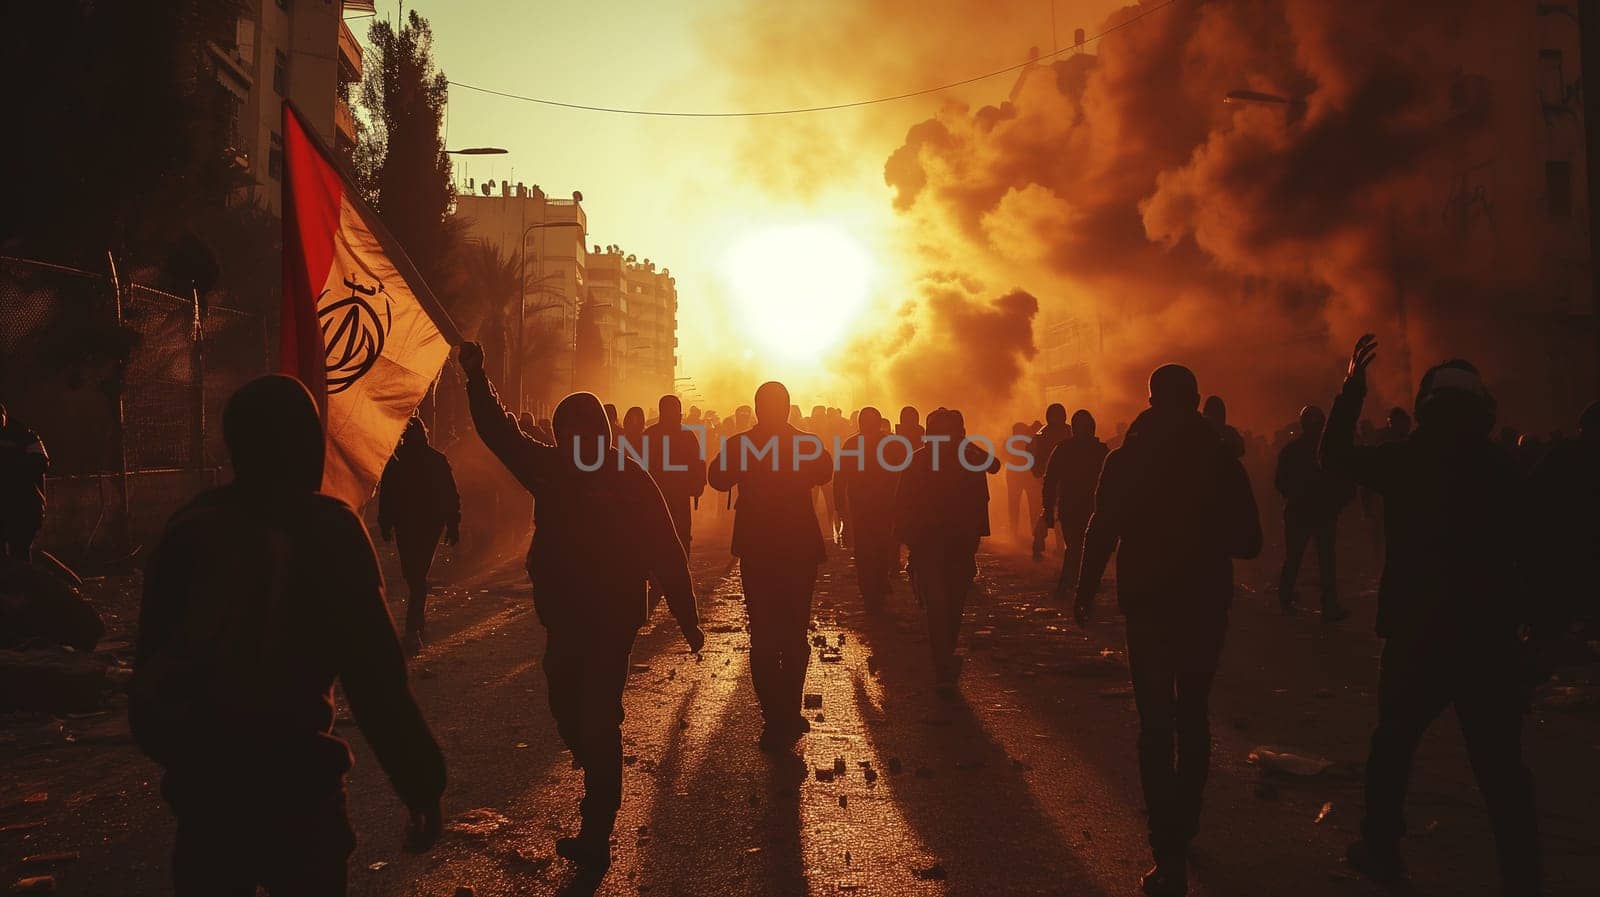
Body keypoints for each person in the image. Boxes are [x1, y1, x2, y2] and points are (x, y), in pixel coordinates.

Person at [130, 376, 445, 896]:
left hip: (207, 804)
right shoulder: (328, 530)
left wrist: (196, 764)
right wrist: (422, 786)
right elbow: (377, 684)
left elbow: (148, 682)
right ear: (308, 445)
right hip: (299, 794)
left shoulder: (190, 527)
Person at [459, 342, 703, 870]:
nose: (578, 440)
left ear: (602, 435)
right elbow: (499, 433)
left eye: (587, 432)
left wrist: (689, 619)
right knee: (564, 702)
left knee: (595, 720)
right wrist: (477, 377)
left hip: (613, 620)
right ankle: (594, 757)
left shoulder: (630, 478)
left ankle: (597, 830)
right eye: (569, 432)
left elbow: (666, 548)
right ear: (561, 436)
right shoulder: (548, 470)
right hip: (564, 617)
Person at [1323, 336, 1540, 897]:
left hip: (1418, 635)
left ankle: (1382, 850)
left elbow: (1335, 456)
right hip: (1488, 639)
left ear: (1427, 408)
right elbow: (1537, 553)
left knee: (1392, 745)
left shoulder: (1407, 459)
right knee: (1501, 770)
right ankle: (1522, 875)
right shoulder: (1503, 468)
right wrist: (1536, 634)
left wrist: (1351, 389)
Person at [1076, 364, 1261, 897]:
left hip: (1149, 605)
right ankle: (1186, 826)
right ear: (1197, 399)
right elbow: (1250, 541)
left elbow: (1101, 527)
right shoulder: (1222, 461)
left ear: (1152, 400)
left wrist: (1085, 590)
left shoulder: (1126, 458)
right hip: (1204, 603)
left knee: (1156, 725)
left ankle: (1170, 855)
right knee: (1193, 715)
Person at [708, 381, 832, 750]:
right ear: (788, 407)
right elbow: (825, 472)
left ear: (759, 408)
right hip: (796, 548)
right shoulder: (805, 443)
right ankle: (787, 712)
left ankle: (775, 716)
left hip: (759, 548)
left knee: (763, 634)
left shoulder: (742, 444)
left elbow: (716, 478)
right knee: (793, 633)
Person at [896, 408, 998, 695]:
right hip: (941, 544)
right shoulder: (942, 457)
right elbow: (905, 504)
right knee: (946, 605)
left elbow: (993, 466)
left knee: (946, 605)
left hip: (951, 543)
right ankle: (943, 663)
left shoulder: (931, 457)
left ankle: (943, 661)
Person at [378, 418, 461, 653]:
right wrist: (453, 522)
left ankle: (414, 625)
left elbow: (388, 496)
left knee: (415, 573)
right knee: (417, 573)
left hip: (412, 524)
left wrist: (386, 523)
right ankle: (416, 622)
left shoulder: (398, 461)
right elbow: (450, 493)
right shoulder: (434, 460)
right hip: (428, 524)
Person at [1527, 400, 1600, 635]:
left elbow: (1532, 500)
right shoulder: (1562, 457)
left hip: (1564, 564)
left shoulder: (1560, 456)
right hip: (1571, 560)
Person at [1274, 404, 1352, 621]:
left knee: (1297, 558)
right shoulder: (1329, 451)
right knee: (1324, 560)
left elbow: (1280, 482)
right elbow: (1344, 482)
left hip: (1304, 512)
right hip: (1318, 513)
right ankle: (1327, 605)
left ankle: (1287, 597)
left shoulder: (1292, 451)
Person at [642, 394, 708, 605]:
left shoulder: (651, 435)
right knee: (677, 539)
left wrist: (696, 485)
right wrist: (696, 486)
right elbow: (698, 465)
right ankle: (674, 579)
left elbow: (697, 465)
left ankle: (660, 579)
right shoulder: (686, 436)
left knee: (660, 538)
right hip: (669, 498)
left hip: (661, 498)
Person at [835, 406, 900, 612]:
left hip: (870, 505)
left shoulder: (854, 444)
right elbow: (841, 477)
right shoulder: (888, 444)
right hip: (874, 505)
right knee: (877, 546)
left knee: (870, 547)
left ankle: (872, 587)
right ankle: (876, 585)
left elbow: (840, 478)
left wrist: (840, 506)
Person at [1040, 409, 1108, 601]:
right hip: (1075, 507)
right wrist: (1047, 508)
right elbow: (1050, 480)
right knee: (1078, 547)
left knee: (1081, 548)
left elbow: (1050, 481)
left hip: (1091, 508)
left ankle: (1072, 584)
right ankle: (1074, 584)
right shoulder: (1069, 449)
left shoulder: (1099, 451)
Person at [0, 403, 49, 562]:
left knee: (19, 553)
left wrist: (9, 464)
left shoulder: (25, 435)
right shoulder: (26, 436)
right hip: (24, 508)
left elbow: (42, 462)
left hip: (23, 508)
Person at [1029, 404, 1072, 559]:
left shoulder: (1066, 431)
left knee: (1055, 512)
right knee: (1053, 511)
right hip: (1054, 479)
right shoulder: (1064, 432)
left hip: (1062, 479)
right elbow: (1034, 456)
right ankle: (1044, 543)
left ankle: (1047, 544)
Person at [1004, 422, 1041, 543]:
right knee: (1032, 506)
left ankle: (1015, 532)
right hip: (1025, 475)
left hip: (1018, 475)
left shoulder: (1011, 441)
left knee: (1016, 505)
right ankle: (1032, 533)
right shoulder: (1027, 440)